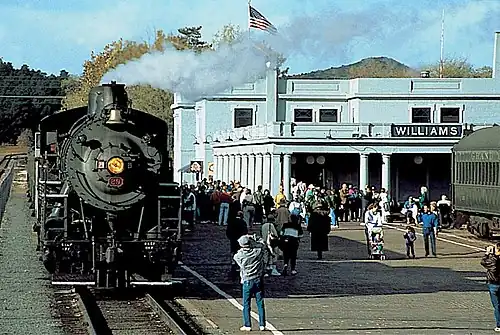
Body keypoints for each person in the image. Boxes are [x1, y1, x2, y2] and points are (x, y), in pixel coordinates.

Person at [233, 235, 269, 332]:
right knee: (260, 302)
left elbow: (236, 256)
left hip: (247, 280)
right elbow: (263, 244)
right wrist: (253, 238)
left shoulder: (238, 256)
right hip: (258, 279)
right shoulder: (257, 252)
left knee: (246, 304)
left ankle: (247, 325)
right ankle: (262, 324)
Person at [480, 243, 500, 332]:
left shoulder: (493, 261)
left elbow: (483, 262)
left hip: (494, 284)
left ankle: (499, 325)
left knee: (497, 306)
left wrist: (487, 253)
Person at [226, 211, 248, 275]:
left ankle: (233, 264)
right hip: (240, 241)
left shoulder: (231, 222)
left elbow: (228, 232)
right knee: (240, 253)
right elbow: (245, 232)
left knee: (233, 252)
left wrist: (231, 238)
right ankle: (239, 265)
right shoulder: (243, 222)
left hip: (233, 240)